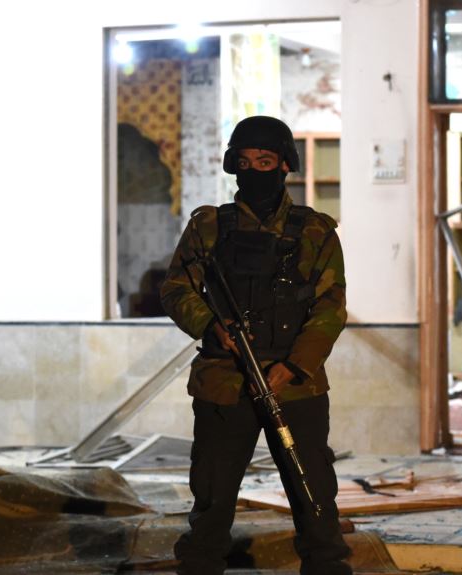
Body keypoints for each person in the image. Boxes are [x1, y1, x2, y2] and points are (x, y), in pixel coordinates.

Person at [160, 115, 351, 575]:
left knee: (315, 500)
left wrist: (295, 365)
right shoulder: (209, 228)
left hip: (295, 388)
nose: (254, 170)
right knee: (211, 502)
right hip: (225, 384)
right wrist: (211, 328)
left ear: (285, 165)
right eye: (244, 162)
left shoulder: (316, 231)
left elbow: (331, 306)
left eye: (265, 161)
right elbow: (176, 289)